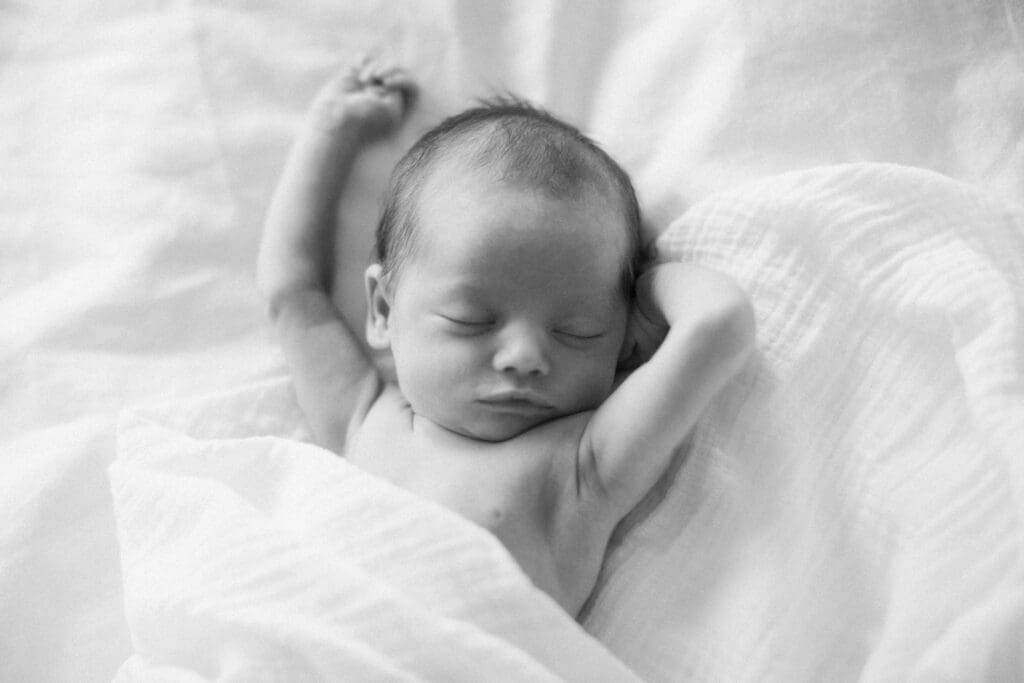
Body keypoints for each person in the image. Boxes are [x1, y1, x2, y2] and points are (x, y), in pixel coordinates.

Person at [257, 57, 755, 616]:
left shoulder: (584, 468)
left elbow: (719, 324)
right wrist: (330, 133)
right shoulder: (361, 418)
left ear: (625, 344)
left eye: (576, 329)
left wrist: (639, 292)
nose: (523, 356)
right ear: (382, 309)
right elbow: (291, 293)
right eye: (472, 319)